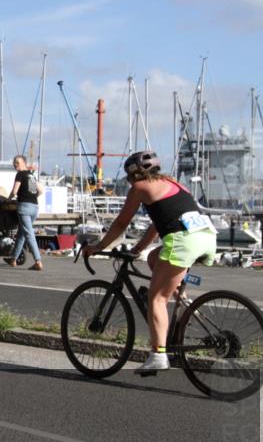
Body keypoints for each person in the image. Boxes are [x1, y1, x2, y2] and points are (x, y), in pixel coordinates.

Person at [82, 150, 217, 375]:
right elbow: (157, 223)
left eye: (129, 176)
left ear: (135, 174)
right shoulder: (171, 183)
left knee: (156, 298)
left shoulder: (140, 188)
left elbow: (120, 224)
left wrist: (98, 247)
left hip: (183, 241)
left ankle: (158, 356)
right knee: (155, 258)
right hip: (206, 237)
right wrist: (138, 249)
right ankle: (180, 297)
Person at [6, 155, 43, 271]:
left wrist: (8, 199)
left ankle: (38, 261)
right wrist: (32, 197)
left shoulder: (20, 174)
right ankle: (13, 259)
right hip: (35, 207)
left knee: (29, 234)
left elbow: (15, 191)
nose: (15, 164)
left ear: (23, 163)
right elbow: (40, 190)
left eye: (17, 162)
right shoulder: (31, 175)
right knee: (22, 232)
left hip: (24, 208)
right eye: (14, 162)